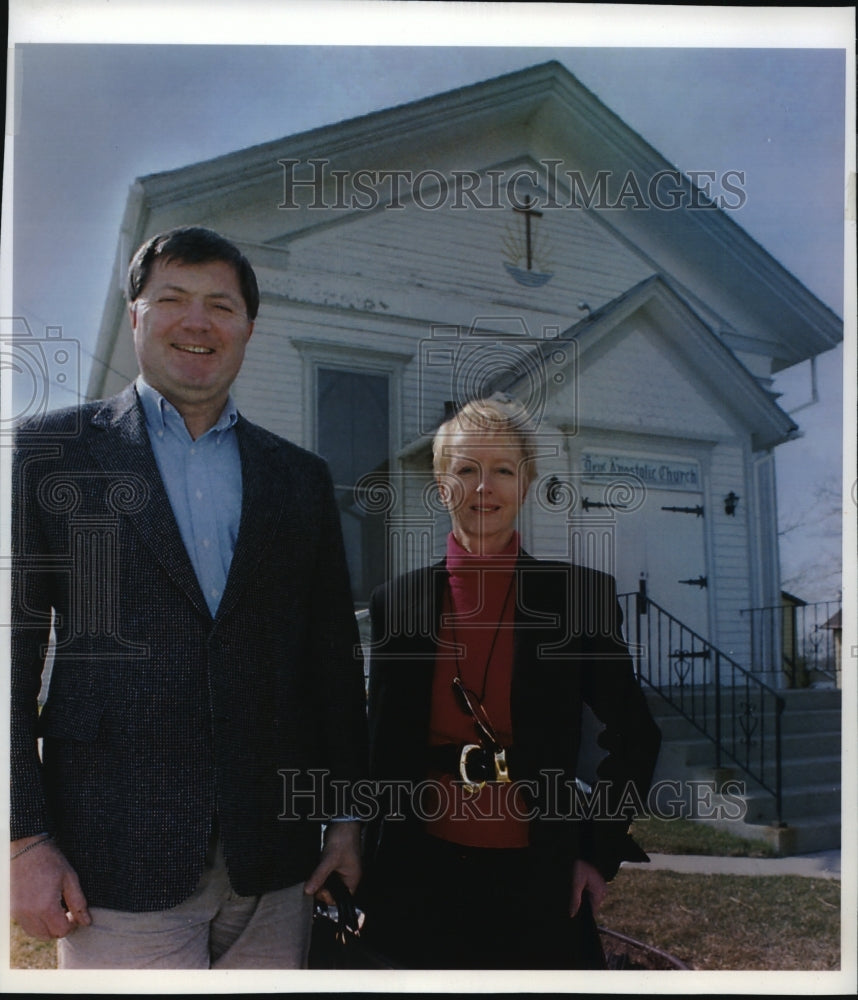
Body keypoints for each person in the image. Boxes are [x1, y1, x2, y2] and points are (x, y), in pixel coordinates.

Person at [10, 226, 369, 969]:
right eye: (171, 299)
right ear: (136, 316)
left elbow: (331, 664)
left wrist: (344, 816)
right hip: (113, 863)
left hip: (274, 866)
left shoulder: (299, 479)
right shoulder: (52, 453)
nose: (197, 321)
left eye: (220, 304)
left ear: (247, 327)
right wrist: (21, 839)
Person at [360, 396, 661, 969]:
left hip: (538, 871)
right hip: (419, 870)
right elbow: (378, 746)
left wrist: (596, 855)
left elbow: (636, 737)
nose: (483, 488)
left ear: (526, 484)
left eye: (502, 470)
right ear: (441, 485)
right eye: (466, 470)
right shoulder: (396, 603)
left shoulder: (578, 599)